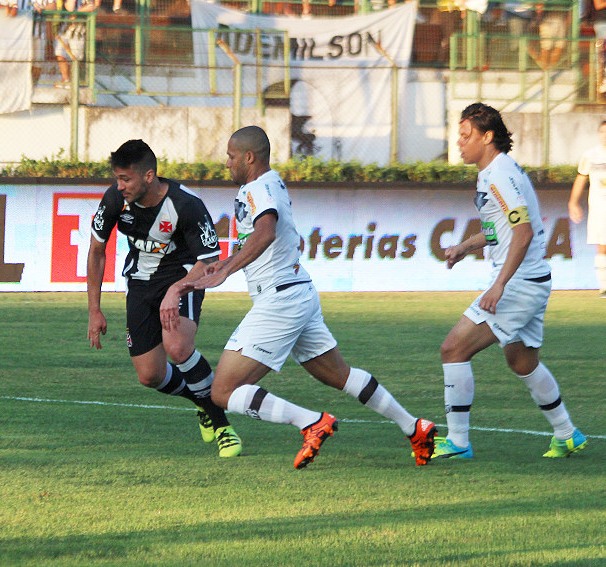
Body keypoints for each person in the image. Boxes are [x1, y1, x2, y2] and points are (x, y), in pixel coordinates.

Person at [181, 126, 436, 469]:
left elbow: (266, 231)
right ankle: (414, 427)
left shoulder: (258, 187)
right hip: (297, 292)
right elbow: (256, 238)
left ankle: (310, 422)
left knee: (223, 391)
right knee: (339, 375)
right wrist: (225, 265)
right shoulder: (267, 184)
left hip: (280, 299)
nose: (226, 163)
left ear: (249, 157)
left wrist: (225, 271)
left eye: (230, 156)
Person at [433, 102, 587, 460]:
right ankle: (567, 433)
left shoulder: (499, 174)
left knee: (453, 348)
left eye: (465, 135)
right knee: (521, 361)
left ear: (487, 137)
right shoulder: (492, 173)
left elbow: (523, 232)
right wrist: (464, 246)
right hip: (532, 280)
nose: (459, 142)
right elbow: (500, 230)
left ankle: (457, 442)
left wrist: (499, 284)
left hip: (518, 285)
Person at [87, 139, 242, 458]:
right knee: (150, 375)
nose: (119, 185)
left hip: (183, 278)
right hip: (141, 284)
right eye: (117, 178)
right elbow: (96, 251)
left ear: (148, 175)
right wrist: (94, 310)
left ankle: (222, 425)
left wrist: (177, 289)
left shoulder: (186, 204)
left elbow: (209, 261)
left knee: (178, 346)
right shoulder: (116, 198)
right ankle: (201, 402)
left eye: (125, 178)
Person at [568, 120, 606, 298]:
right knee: (602, 246)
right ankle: (604, 287)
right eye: (602, 132)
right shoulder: (590, 155)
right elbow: (581, 178)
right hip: (599, 209)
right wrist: (573, 202)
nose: (604, 135)